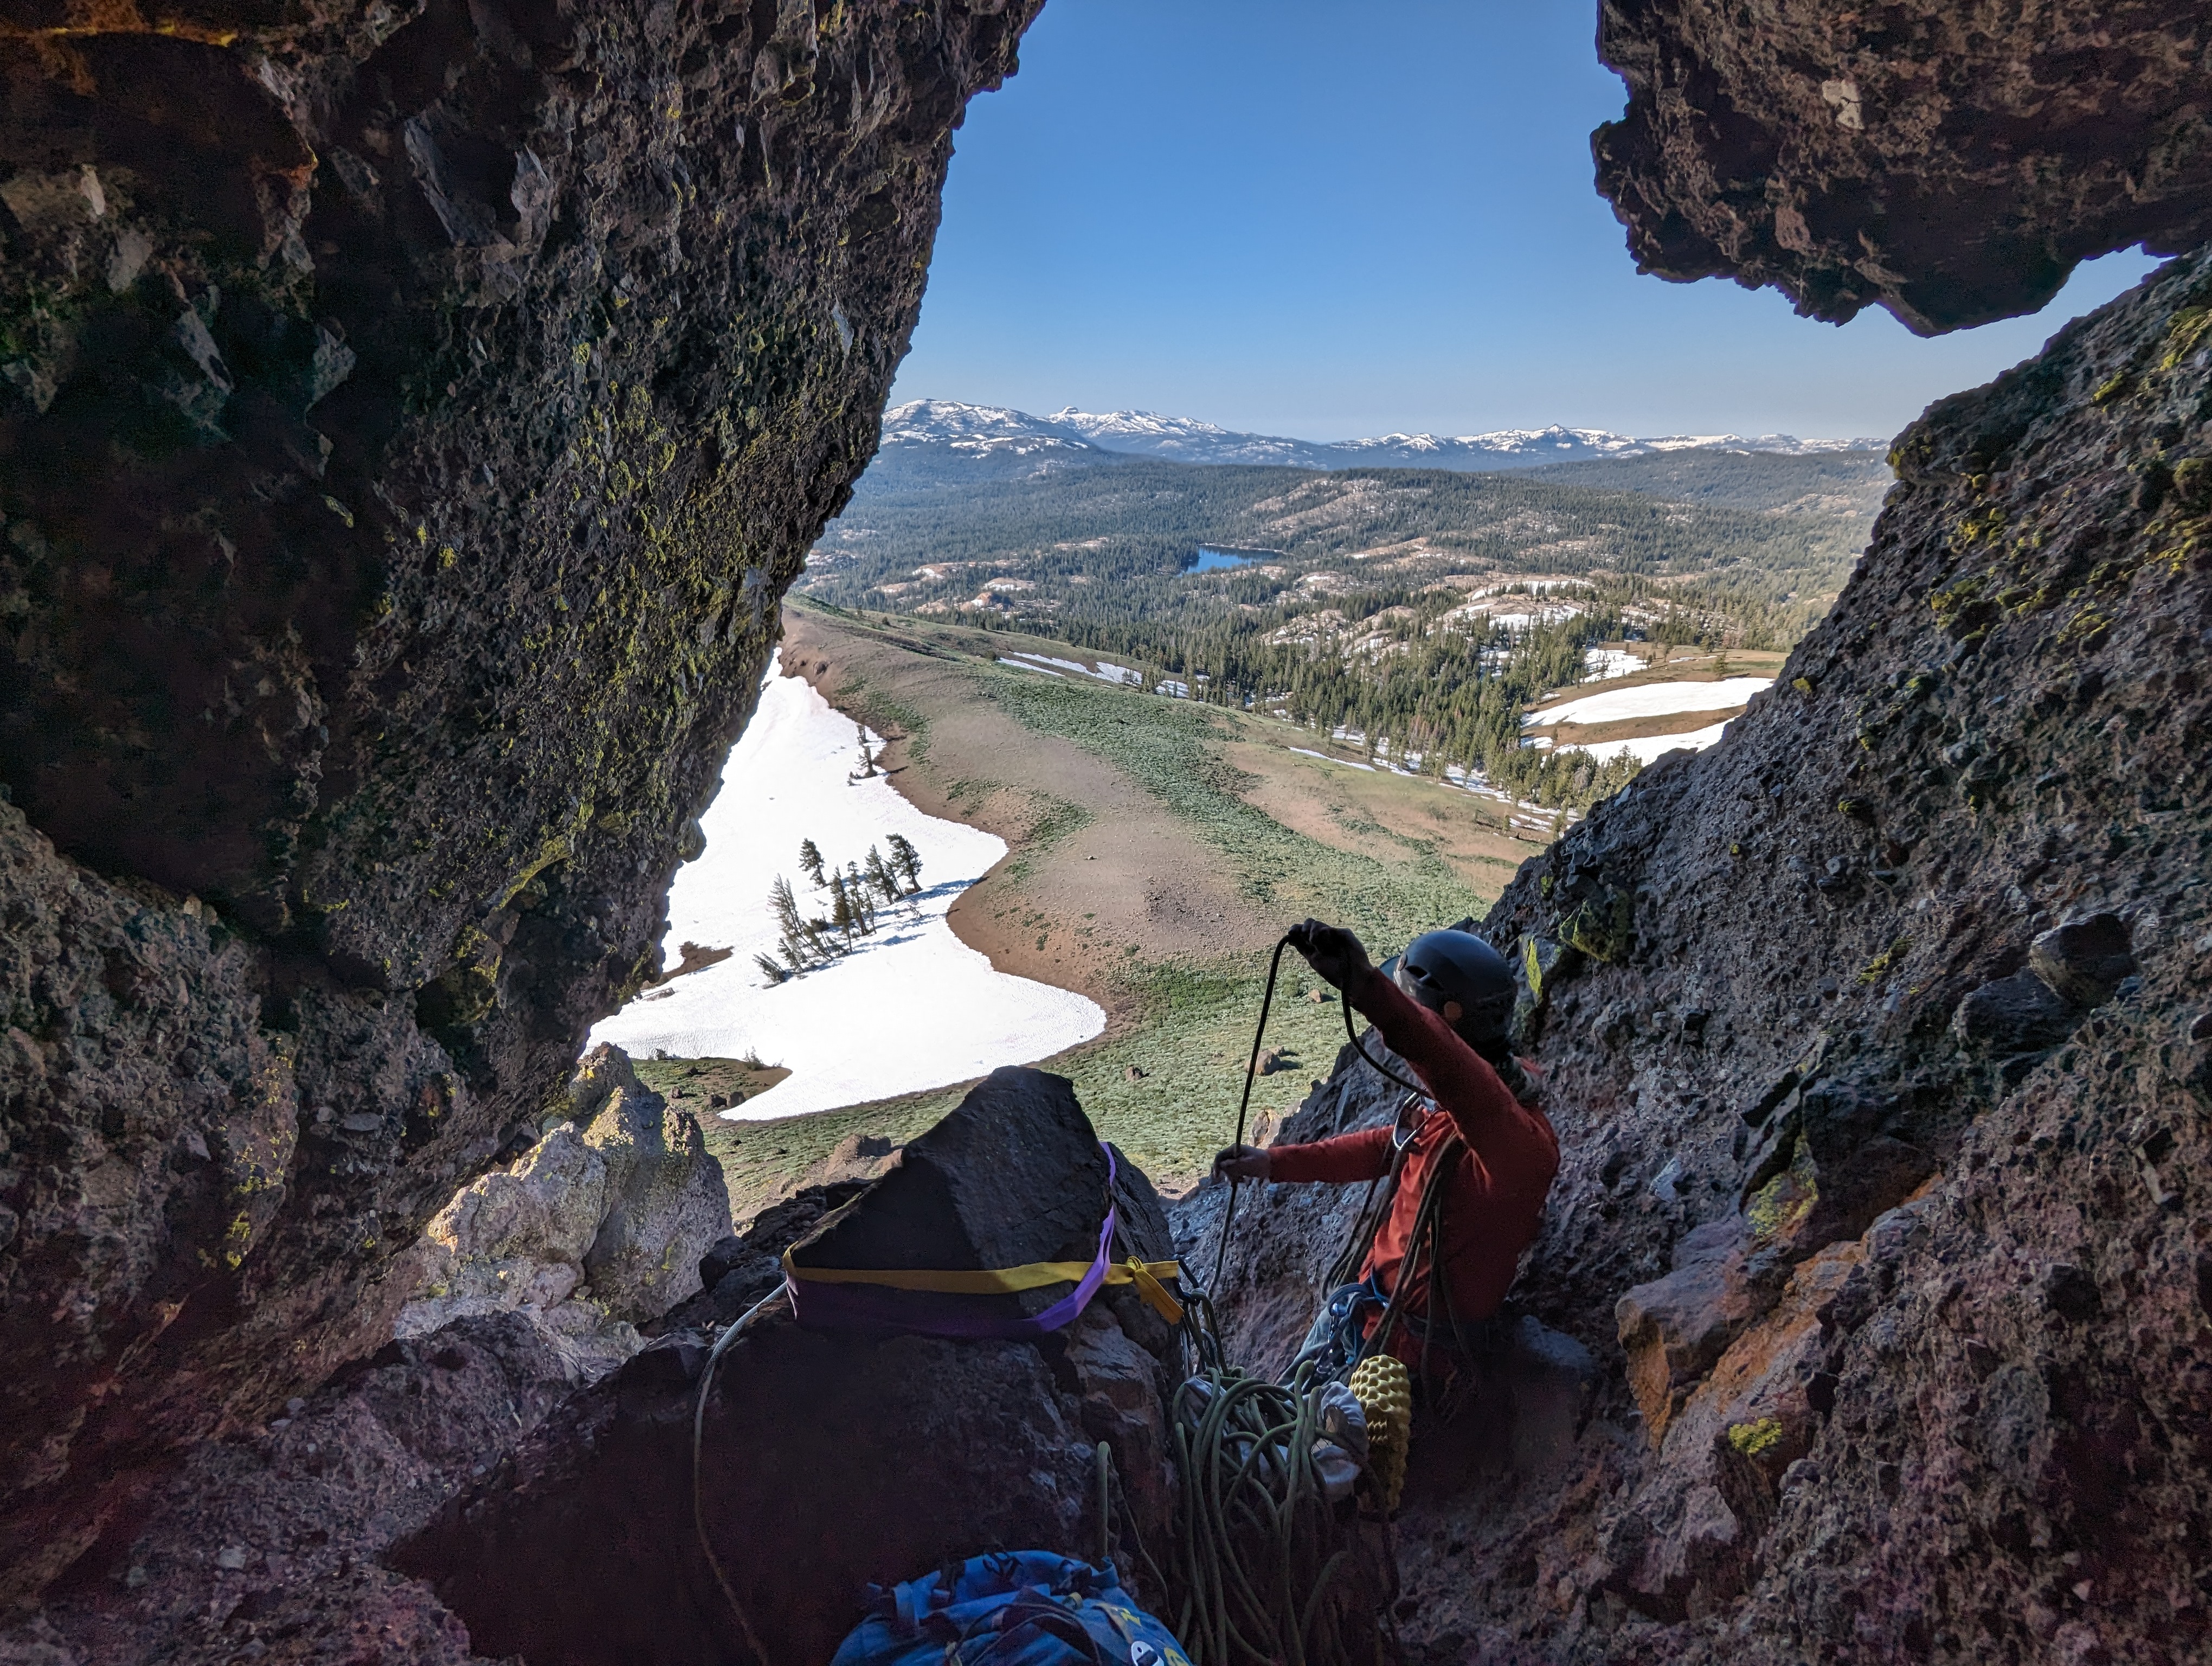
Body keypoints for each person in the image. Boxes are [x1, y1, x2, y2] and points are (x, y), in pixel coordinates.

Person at [1214, 919, 1559, 1385]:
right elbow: (1388, 1146)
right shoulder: (1472, 1105)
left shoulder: (1509, 1143)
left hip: (1407, 1361)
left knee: (1303, 1448)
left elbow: (1445, 1062)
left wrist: (1365, 988)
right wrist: (1273, 1163)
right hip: (1365, 1313)